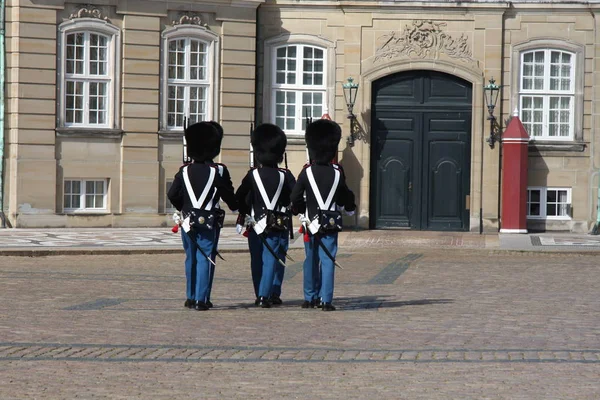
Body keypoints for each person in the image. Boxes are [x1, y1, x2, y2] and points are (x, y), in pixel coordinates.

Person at [168, 122, 238, 311]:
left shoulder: (184, 170)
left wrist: (184, 208)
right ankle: (201, 299)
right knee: (205, 258)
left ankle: (191, 297)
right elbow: (228, 195)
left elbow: (172, 194)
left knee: (190, 257)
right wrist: (236, 206)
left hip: (187, 221)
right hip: (209, 222)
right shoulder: (218, 171)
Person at [291, 119, 356, 311]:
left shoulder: (306, 172)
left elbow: (294, 197)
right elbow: (345, 196)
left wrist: (302, 210)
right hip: (330, 223)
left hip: (311, 223)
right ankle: (326, 300)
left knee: (310, 260)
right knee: (328, 260)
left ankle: (309, 297)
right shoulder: (337, 173)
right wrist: (349, 207)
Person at [235, 123, 296, 308]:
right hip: (277, 224)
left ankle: (260, 292)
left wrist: (244, 212)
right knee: (274, 259)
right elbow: (294, 197)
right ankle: (270, 293)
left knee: (257, 260)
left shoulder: (252, 175)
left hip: (256, 224)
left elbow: (240, 197)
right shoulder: (285, 175)